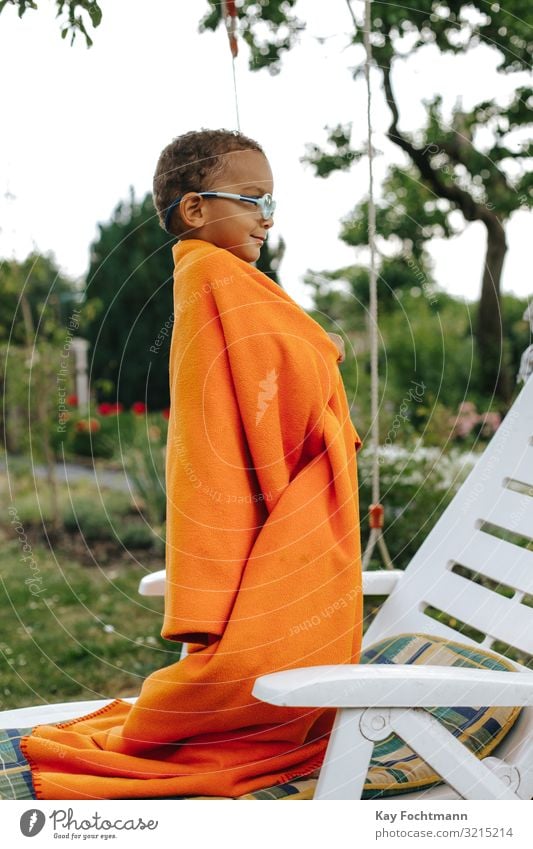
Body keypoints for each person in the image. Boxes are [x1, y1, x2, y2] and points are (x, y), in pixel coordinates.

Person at [17, 129, 363, 800]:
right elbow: (290, 380)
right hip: (295, 508)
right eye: (251, 199)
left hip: (284, 506)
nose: (267, 217)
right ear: (194, 209)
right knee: (258, 678)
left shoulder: (213, 278)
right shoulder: (216, 278)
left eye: (273, 202)